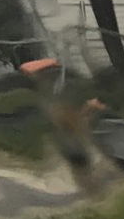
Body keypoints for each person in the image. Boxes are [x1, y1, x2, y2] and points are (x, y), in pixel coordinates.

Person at [19, 59, 106, 194]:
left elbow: (72, 117)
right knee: (80, 164)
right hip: (68, 136)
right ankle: (92, 190)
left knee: (81, 163)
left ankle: (92, 190)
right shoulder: (51, 94)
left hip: (71, 136)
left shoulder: (58, 91)